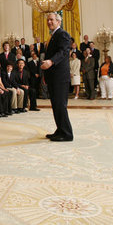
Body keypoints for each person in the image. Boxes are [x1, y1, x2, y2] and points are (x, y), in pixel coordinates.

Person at [41, 13, 73, 142]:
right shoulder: (52, 36)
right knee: (55, 105)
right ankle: (60, 130)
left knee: (60, 104)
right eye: (48, 20)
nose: (49, 22)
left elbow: (63, 52)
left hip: (60, 77)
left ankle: (67, 134)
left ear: (59, 22)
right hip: (53, 77)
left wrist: (51, 62)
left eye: (52, 20)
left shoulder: (63, 34)